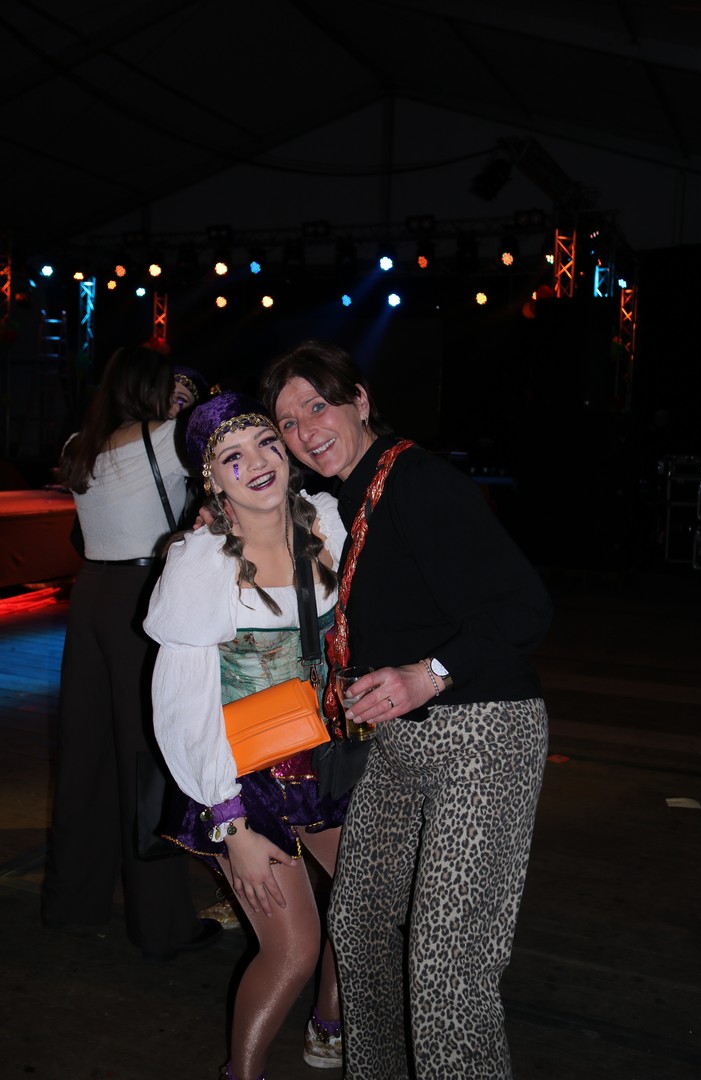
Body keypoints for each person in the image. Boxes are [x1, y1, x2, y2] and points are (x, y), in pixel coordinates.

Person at [258, 339, 554, 1080]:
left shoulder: (418, 482)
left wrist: (430, 673)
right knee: (358, 927)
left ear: (359, 400)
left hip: (483, 733)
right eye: (288, 422)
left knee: (449, 969)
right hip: (398, 744)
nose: (305, 430)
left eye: (317, 405)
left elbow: (525, 608)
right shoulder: (347, 499)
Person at [143, 391, 350, 1080]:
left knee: (370, 901)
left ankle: (329, 1023)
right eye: (232, 456)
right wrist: (231, 827)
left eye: (265, 442)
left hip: (324, 756)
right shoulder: (200, 564)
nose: (257, 462)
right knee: (292, 949)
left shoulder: (326, 521)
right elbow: (182, 706)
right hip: (238, 775)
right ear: (211, 480)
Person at [41, 344, 222, 961]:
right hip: (140, 600)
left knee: (86, 755)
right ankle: (161, 925)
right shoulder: (166, 439)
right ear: (152, 389)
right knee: (149, 759)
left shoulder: (79, 446)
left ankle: (72, 902)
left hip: (90, 596)